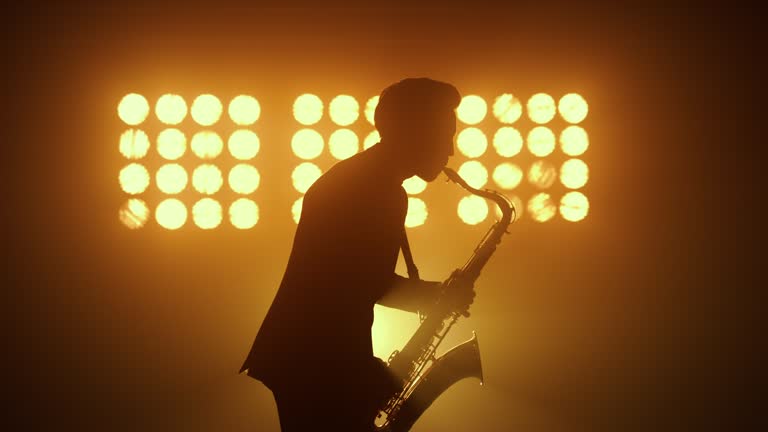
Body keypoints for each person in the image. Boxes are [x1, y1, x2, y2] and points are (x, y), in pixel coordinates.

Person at [239, 77, 475, 431]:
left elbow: (351, 285)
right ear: (414, 130)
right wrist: (437, 296)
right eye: (444, 135)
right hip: (318, 363)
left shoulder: (363, 179)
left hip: (307, 358)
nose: (450, 151)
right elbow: (360, 284)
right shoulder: (374, 189)